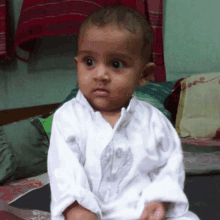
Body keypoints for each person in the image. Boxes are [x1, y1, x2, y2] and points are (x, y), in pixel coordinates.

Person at [47, 5, 200, 220]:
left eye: (116, 64)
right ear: (77, 64)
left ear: (143, 74)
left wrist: (159, 200)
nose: (100, 74)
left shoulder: (153, 120)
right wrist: (76, 208)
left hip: (141, 212)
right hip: (90, 213)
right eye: (89, 62)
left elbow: (170, 163)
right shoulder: (68, 118)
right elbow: (64, 170)